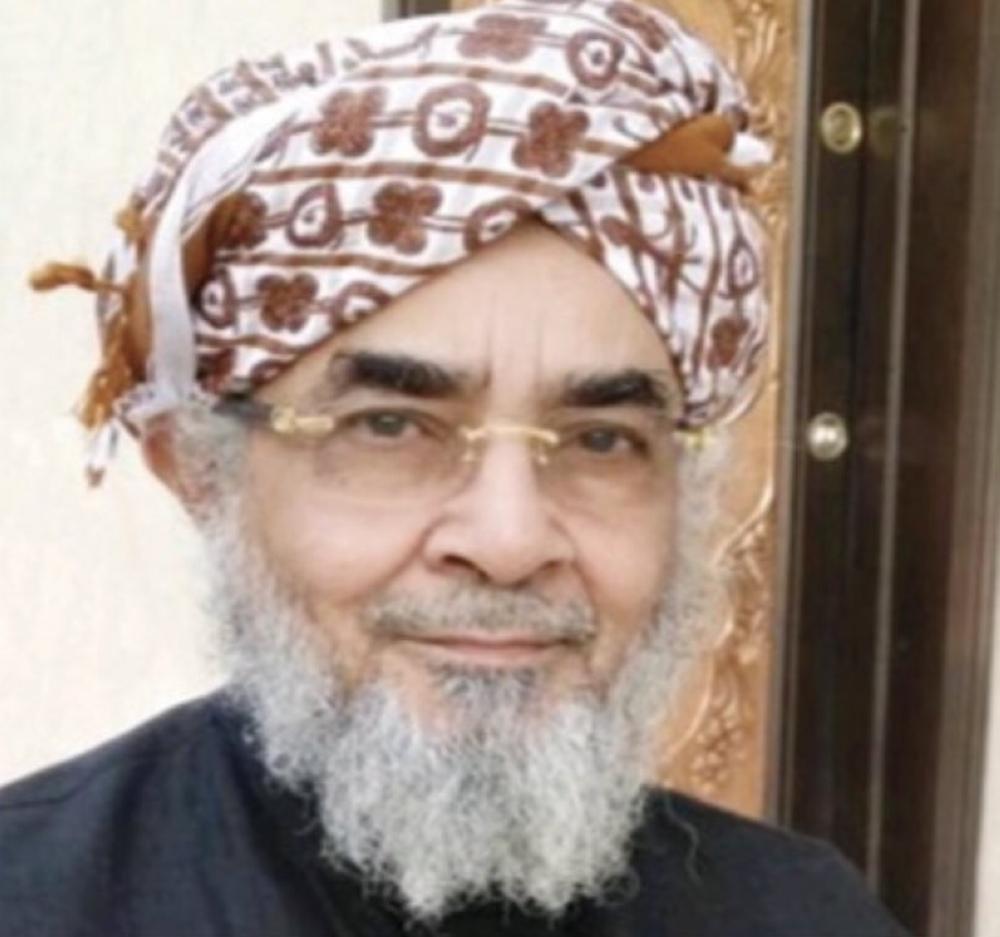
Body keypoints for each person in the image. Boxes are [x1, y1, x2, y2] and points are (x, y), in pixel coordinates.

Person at [1, 1, 907, 934]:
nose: (509, 541)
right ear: (200, 473)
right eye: (391, 427)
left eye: (600, 440)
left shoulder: (805, 915)